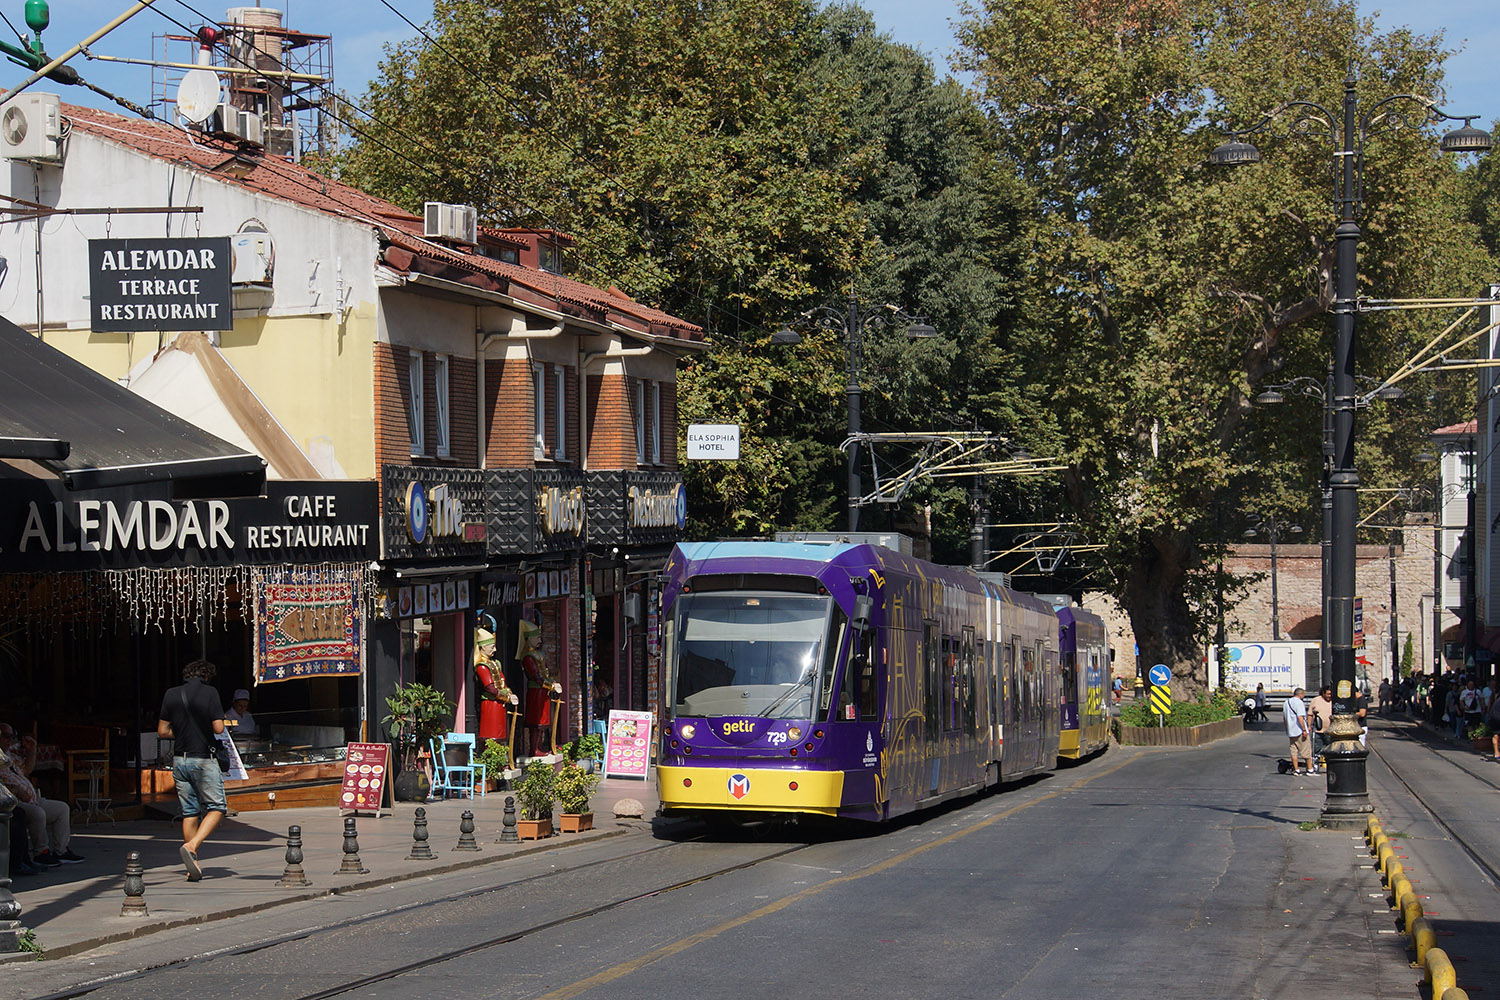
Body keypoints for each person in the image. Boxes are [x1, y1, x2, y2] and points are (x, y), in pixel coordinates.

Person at [158, 658, 227, 882]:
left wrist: (183, 732)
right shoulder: (211, 693)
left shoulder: (171, 693)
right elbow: (218, 727)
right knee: (217, 807)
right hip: (202, 759)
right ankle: (192, 845)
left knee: (190, 812)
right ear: (206, 676)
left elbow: (162, 731)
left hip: (180, 760)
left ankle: (192, 866)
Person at [0, 722, 84, 866]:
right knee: (38, 813)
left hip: (32, 799)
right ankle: (41, 853)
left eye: (12, 737)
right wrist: (15, 789)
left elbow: (27, 769)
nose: (10, 740)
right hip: (11, 801)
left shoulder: (9, 755)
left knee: (62, 808)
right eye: (6, 736)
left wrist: (31, 751)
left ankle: (61, 851)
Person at [519, 619, 559, 756]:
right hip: (536, 692)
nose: (539, 640)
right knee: (535, 722)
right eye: (536, 637)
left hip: (543, 692)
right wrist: (551, 686)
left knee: (543, 722)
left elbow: (545, 672)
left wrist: (553, 682)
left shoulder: (539, 654)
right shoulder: (528, 658)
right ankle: (533, 748)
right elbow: (536, 676)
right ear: (528, 639)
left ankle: (539, 746)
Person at [473, 627, 514, 742]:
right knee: (491, 734)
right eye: (492, 647)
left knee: (500, 734)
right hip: (491, 704)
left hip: (499, 704)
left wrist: (509, 693)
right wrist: (507, 697)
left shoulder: (495, 663)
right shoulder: (482, 666)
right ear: (483, 647)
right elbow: (490, 688)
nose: (495, 650)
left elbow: (502, 682)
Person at [1284, 686, 1313, 775]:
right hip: (1299, 730)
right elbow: (1300, 717)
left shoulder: (1286, 702)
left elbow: (1284, 718)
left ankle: (1296, 769)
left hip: (1291, 731)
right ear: (1301, 694)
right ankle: (1310, 769)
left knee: (1294, 751)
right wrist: (1304, 729)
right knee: (1306, 750)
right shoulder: (1299, 703)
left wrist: (1287, 729)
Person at [1307, 685, 1334, 772]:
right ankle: (1315, 766)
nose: (1329, 696)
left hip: (1330, 730)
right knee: (1316, 749)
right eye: (1328, 694)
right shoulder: (1316, 700)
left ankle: (1331, 766)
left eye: (1331, 694)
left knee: (1331, 749)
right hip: (1318, 730)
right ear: (1323, 693)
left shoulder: (1334, 701)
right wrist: (1309, 726)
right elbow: (1310, 714)